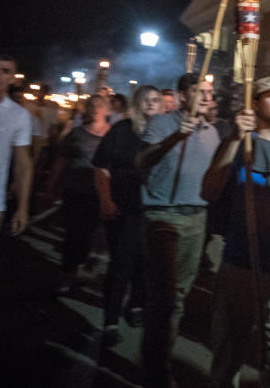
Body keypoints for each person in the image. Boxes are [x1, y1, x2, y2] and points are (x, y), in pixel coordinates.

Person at [203, 76, 270, 388]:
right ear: (255, 104)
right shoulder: (238, 144)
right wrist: (234, 138)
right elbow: (209, 191)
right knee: (229, 353)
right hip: (240, 262)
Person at [136, 73, 220, 388]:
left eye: (210, 92)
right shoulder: (161, 123)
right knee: (166, 300)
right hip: (163, 216)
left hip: (196, 217)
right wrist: (174, 138)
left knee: (179, 297)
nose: (208, 97)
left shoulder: (212, 132)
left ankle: (159, 362)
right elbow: (142, 160)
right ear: (183, 96)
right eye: (200, 91)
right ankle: (155, 373)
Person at [92, 85, 161, 345]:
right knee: (121, 262)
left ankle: (135, 306)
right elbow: (101, 167)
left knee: (145, 263)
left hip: (154, 208)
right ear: (138, 103)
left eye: (156, 100)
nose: (152, 104)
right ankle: (110, 319)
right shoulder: (122, 130)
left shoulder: (166, 133)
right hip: (125, 205)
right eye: (147, 100)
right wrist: (106, 199)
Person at [56, 93, 112, 294]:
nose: (96, 108)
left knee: (91, 235)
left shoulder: (112, 135)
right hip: (76, 192)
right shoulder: (76, 135)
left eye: (101, 105)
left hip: (100, 193)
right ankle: (67, 274)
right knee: (73, 235)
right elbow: (61, 161)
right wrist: (50, 187)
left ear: (107, 110)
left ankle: (79, 267)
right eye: (92, 105)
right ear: (87, 109)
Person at [0, 54, 33, 272]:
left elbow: (23, 164)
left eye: (5, 71)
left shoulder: (19, 115)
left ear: (13, 78)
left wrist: (22, 208)